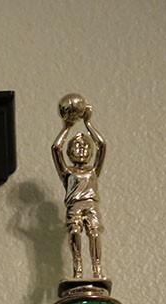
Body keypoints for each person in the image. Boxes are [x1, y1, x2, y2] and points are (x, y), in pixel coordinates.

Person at [52, 102, 107, 279]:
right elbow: (55, 148)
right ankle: (78, 268)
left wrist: (88, 123)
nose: (81, 149)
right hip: (74, 207)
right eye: (76, 146)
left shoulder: (93, 171)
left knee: (94, 233)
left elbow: (102, 145)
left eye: (85, 146)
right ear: (69, 152)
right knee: (75, 233)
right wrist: (67, 127)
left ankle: (97, 269)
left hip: (91, 205)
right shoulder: (67, 172)